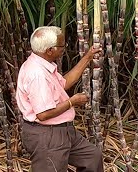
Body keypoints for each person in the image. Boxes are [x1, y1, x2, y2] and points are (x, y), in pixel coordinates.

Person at [16, 26, 104, 172]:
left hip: (63, 130)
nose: (64, 48)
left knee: (92, 158)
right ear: (49, 50)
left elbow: (64, 83)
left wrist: (87, 57)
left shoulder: (44, 65)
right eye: (61, 46)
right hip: (47, 134)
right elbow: (43, 114)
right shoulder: (37, 74)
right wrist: (72, 102)